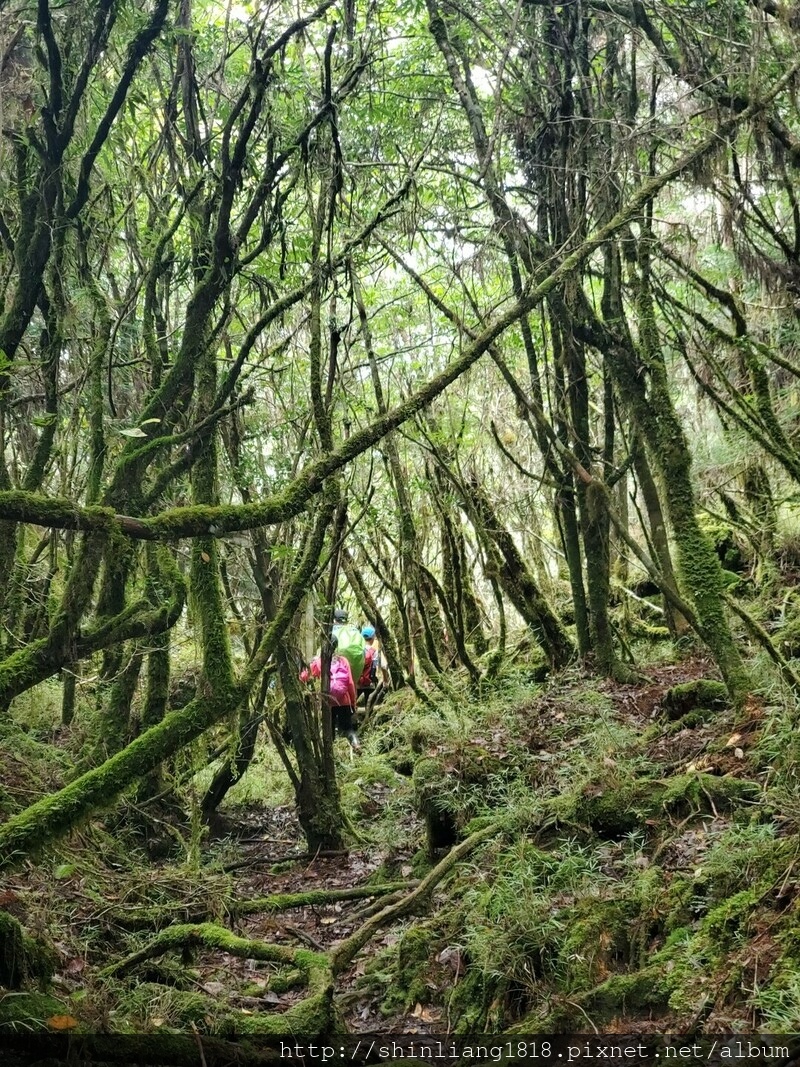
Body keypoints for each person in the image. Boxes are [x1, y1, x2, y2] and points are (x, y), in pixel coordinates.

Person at [300, 636, 361, 751]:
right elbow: (351, 683)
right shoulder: (343, 660)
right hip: (344, 701)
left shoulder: (319, 662)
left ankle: (330, 756)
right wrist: (353, 702)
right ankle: (356, 743)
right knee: (348, 728)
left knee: (329, 731)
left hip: (327, 703)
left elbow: (303, 677)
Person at [357, 624, 389, 708]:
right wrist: (385, 680)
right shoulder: (374, 651)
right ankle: (368, 718)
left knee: (352, 704)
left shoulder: (356, 650)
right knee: (370, 704)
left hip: (357, 682)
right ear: (373, 637)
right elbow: (384, 666)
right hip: (370, 681)